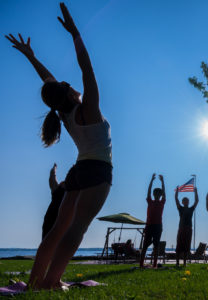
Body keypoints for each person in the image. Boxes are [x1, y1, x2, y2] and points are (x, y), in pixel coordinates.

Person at [6, 3, 112, 290]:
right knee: (76, 230)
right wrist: (75, 32)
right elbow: (86, 66)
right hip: (96, 171)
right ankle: (50, 282)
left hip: (78, 171)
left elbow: (48, 82)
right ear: (69, 91)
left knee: (56, 231)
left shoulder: (65, 112)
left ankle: (36, 282)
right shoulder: (87, 108)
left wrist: (31, 56)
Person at [140, 174, 166, 268]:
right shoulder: (150, 201)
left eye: (159, 194)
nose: (157, 195)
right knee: (145, 246)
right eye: (156, 194)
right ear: (154, 194)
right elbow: (149, 191)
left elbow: (164, 193)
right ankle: (141, 264)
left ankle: (154, 265)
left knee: (156, 246)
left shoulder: (162, 202)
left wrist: (162, 182)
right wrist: (151, 180)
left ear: (160, 195)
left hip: (158, 226)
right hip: (149, 225)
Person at [175, 186, 199, 267]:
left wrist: (196, 192)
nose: (186, 201)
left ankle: (184, 263)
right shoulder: (180, 208)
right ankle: (177, 262)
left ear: (188, 202)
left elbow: (196, 201)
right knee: (179, 245)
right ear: (182, 202)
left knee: (186, 246)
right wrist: (177, 192)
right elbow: (176, 199)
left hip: (189, 228)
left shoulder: (191, 209)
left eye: (187, 201)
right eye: (184, 200)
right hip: (181, 228)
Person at [42, 163, 66, 240]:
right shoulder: (57, 190)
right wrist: (54, 168)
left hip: (59, 220)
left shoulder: (69, 193)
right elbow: (52, 177)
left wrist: (54, 168)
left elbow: (52, 177)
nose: (62, 181)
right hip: (52, 219)